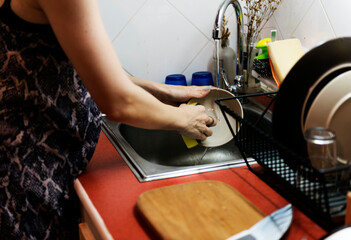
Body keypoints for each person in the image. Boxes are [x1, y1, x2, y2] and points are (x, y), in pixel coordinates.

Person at [0, 0, 216, 238]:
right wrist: (183, 119)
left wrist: (162, 90)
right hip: (22, 188)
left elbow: (88, 69)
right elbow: (117, 102)